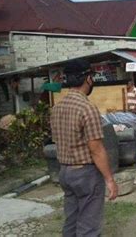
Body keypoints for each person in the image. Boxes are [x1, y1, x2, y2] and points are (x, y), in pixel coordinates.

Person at [50, 59, 118, 237]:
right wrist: (109, 179)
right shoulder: (87, 108)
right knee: (89, 227)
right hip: (85, 174)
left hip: (65, 172)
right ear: (88, 79)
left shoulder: (57, 108)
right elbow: (96, 149)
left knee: (71, 223)